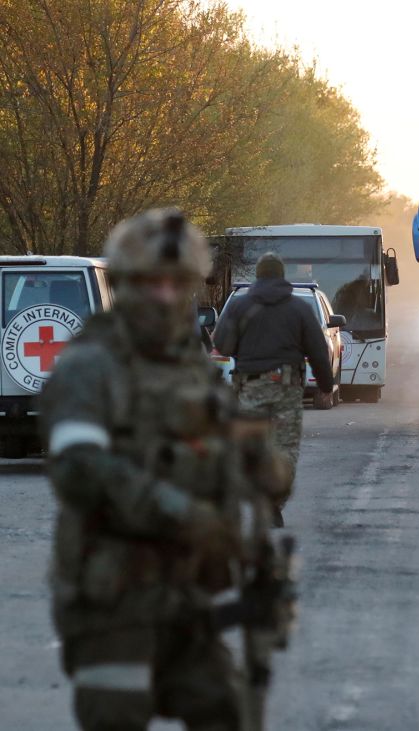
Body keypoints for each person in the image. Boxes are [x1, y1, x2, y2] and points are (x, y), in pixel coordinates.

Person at [40, 208, 283, 730]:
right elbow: (80, 468)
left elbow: (231, 437)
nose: (167, 298)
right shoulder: (90, 365)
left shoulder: (189, 367)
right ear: (125, 285)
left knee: (226, 711)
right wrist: (180, 513)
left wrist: (262, 465)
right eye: (152, 283)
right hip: (113, 604)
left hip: (187, 601)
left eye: (179, 284)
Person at [213, 252, 334, 526]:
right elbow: (318, 350)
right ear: (281, 276)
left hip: (249, 388)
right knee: (285, 447)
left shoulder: (239, 307)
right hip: (286, 388)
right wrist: (325, 386)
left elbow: (222, 344)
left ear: (257, 275)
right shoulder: (299, 309)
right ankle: (273, 501)